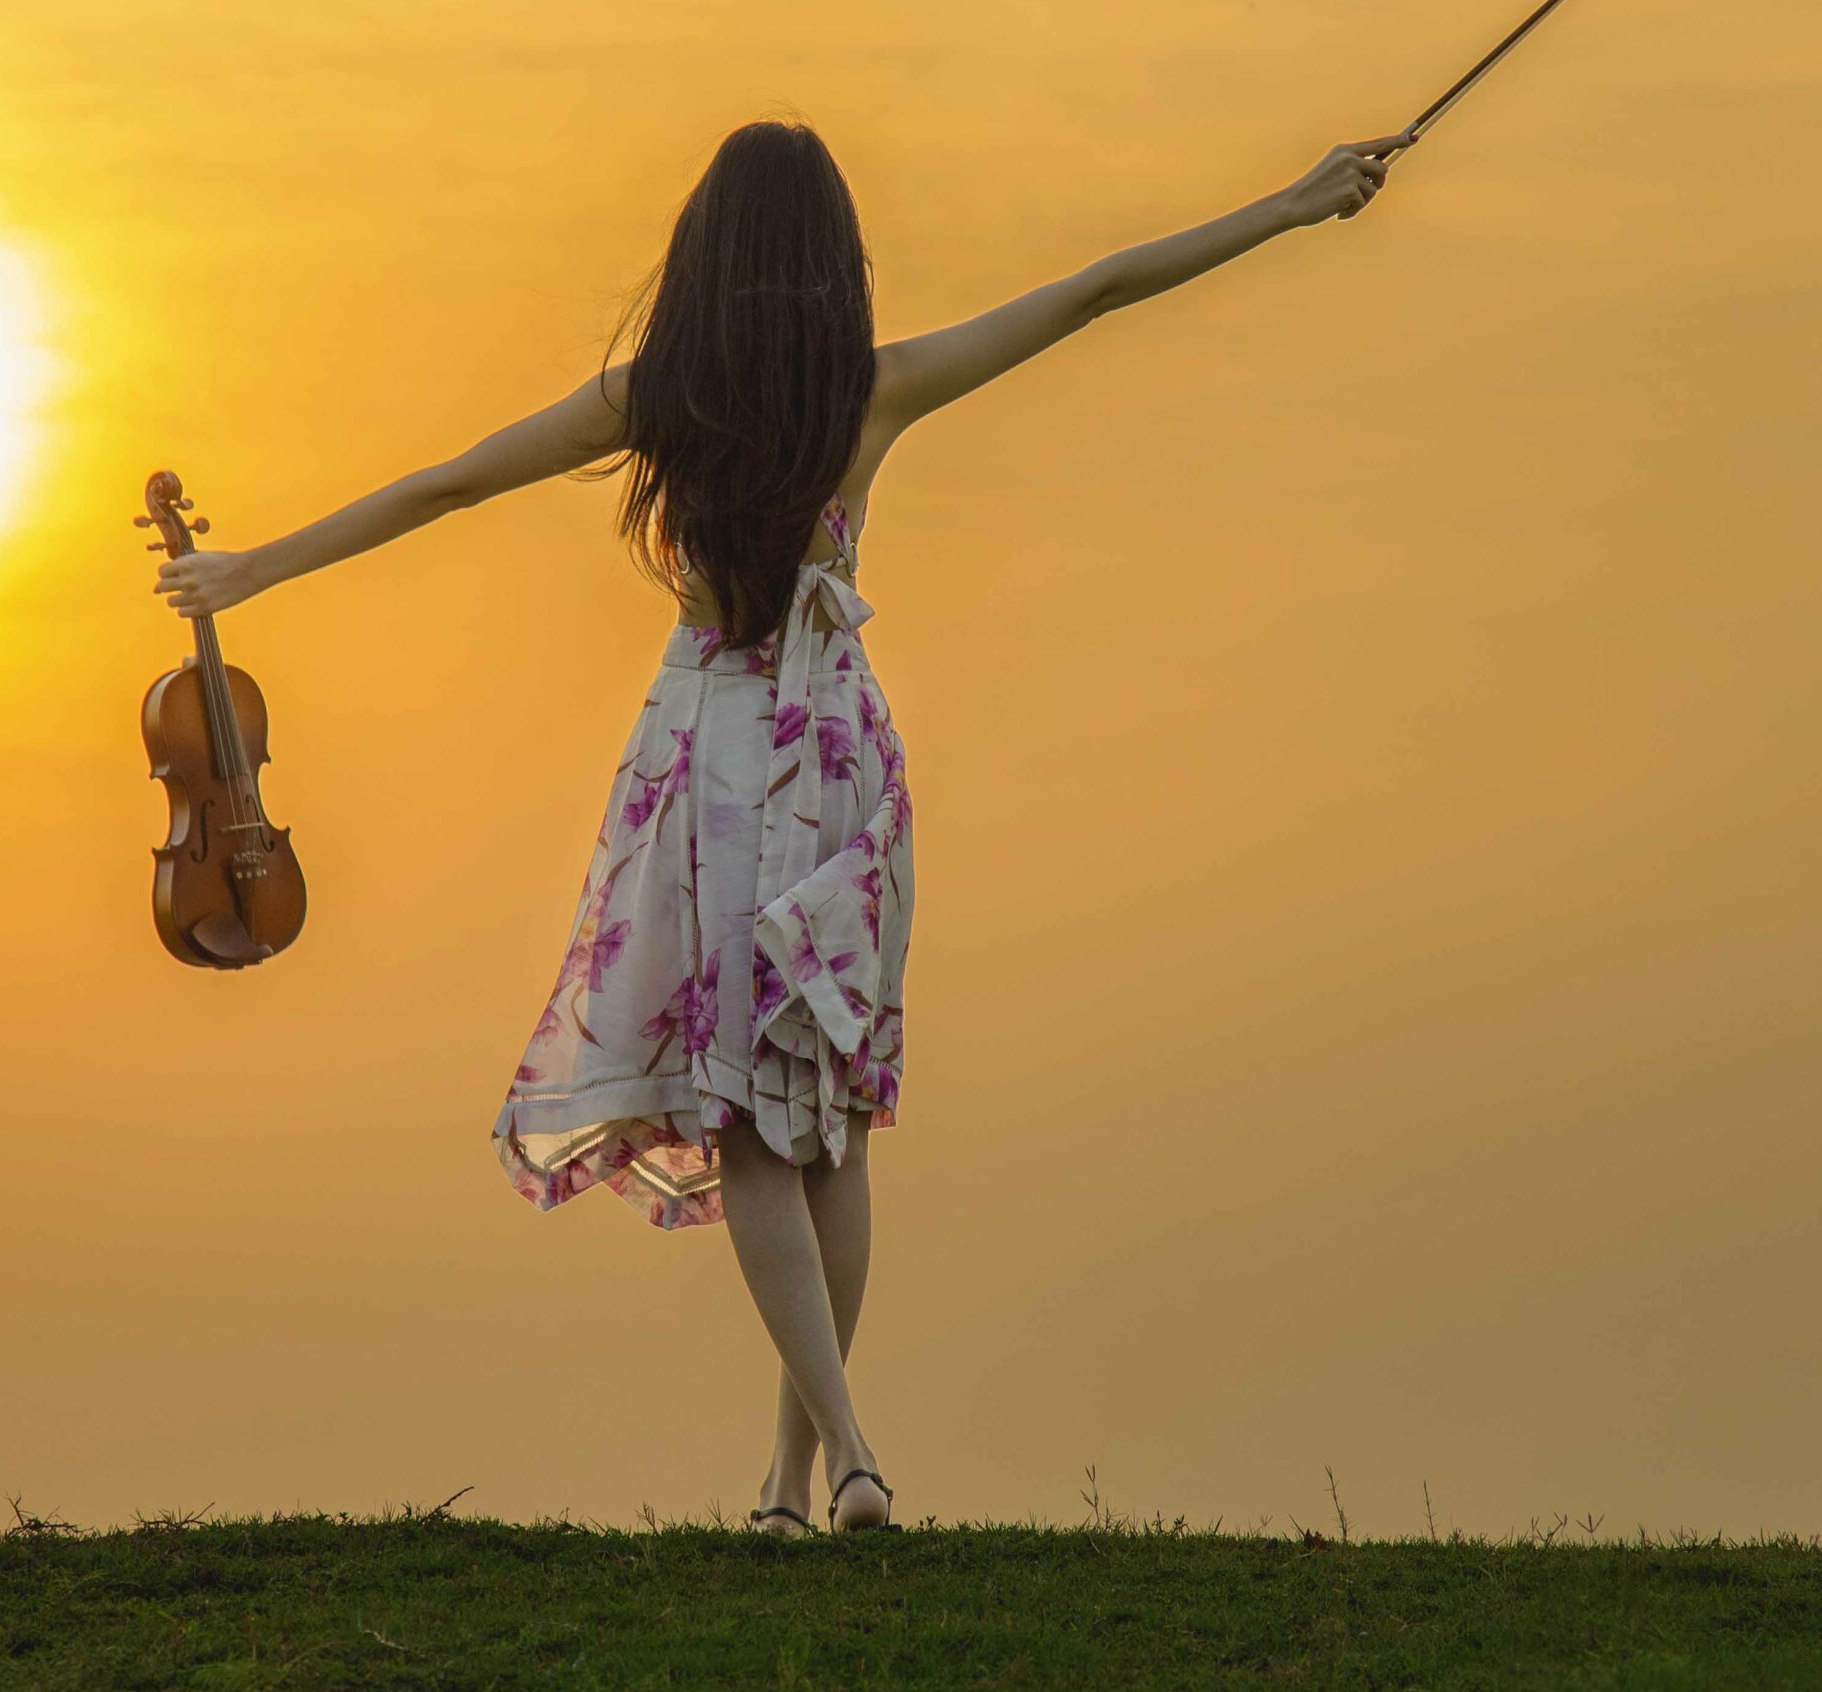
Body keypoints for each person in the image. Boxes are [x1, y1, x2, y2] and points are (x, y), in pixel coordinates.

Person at [153, 116, 1414, 1536]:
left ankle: (843, 1460)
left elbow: (448, 483)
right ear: (831, 261)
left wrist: (256, 568)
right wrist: (1294, 205)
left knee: (755, 1127)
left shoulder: (655, 400)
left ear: (703, 260)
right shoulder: (868, 393)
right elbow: (1098, 289)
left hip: (711, 750)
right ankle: (798, 1484)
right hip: (836, 757)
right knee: (833, 1127)